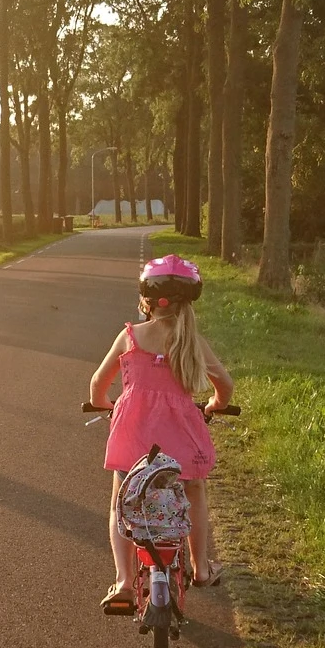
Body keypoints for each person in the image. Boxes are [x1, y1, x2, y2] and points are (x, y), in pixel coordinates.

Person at [88, 254, 234, 610]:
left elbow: (97, 385)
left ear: (147, 302)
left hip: (133, 437)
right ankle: (200, 568)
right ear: (188, 304)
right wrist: (215, 404)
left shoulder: (130, 337)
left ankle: (123, 581)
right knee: (194, 491)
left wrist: (108, 407)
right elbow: (224, 386)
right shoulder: (192, 343)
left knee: (120, 501)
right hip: (181, 438)